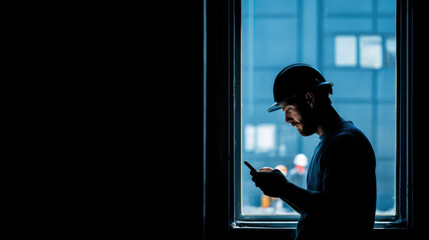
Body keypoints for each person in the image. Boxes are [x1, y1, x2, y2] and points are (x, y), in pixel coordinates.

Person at [251, 64, 376, 240]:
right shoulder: (332, 142)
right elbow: (317, 211)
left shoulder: (343, 143)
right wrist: (281, 189)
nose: (287, 120)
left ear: (309, 99)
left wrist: (284, 188)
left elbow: (333, 209)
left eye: (288, 109)